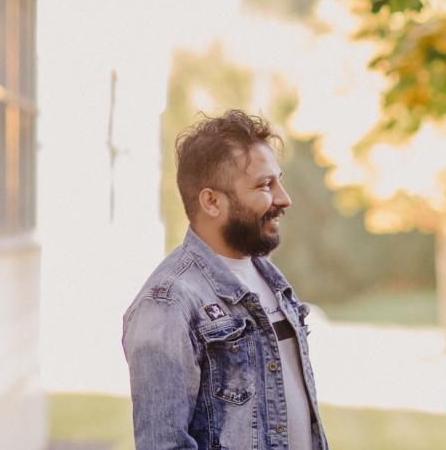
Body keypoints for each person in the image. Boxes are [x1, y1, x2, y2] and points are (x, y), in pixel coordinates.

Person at [123, 110, 325, 449]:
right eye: (264, 185)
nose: (283, 198)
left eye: (279, 180)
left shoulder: (270, 279)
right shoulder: (168, 302)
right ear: (212, 201)